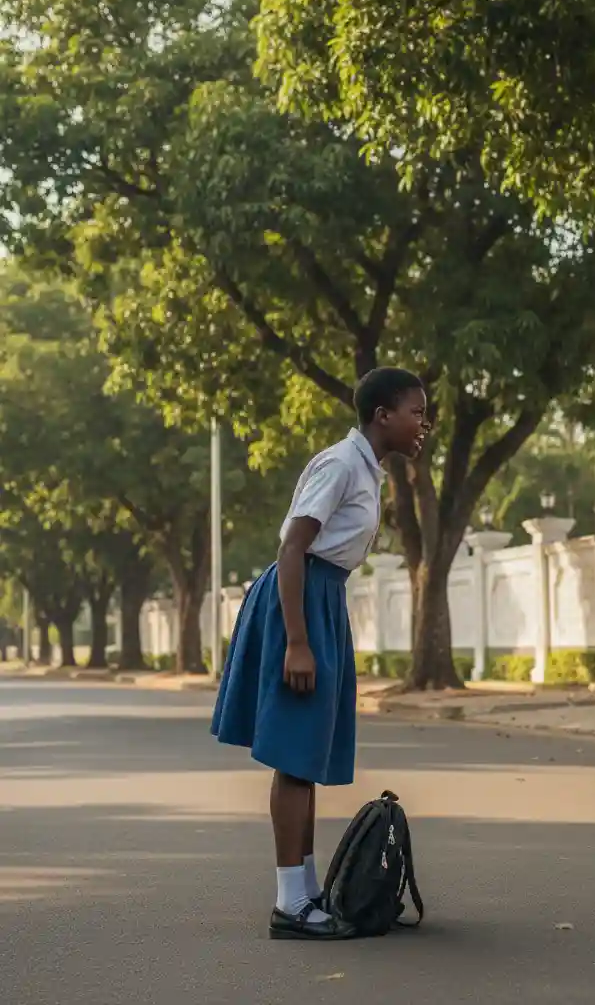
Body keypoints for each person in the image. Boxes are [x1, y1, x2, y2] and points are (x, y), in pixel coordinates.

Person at [211, 367, 428, 940]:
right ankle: (290, 905)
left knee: (304, 755)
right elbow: (292, 546)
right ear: (383, 415)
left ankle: (307, 894)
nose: (423, 423)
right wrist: (299, 643)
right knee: (293, 753)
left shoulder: (367, 469)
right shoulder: (340, 464)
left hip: (322, 597)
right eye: (416, 412)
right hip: (298, 600)